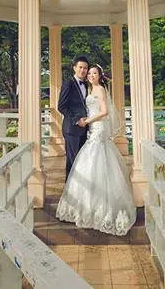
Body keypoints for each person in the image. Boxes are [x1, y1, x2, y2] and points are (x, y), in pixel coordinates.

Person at [55, 64, 136, 236]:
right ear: (77, 69)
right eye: (88, 72)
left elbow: (105, 111)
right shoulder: (90, 89)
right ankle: (84, 205)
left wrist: (88, 121)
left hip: (97, 128)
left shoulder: (99, 90)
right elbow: (64, 106)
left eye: (94, 73)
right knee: (88, 161)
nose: (90, 75)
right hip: (89, 128)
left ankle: (101, 208)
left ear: (100, 75)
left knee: (96, 160)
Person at [57, 56, 90, 178]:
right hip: (72, 129)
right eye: (80, 67)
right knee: (72, 161)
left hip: (85, 128)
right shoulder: (68, 83)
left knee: (82, 161)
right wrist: (76, 120)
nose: (83, 70)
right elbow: (61, 106)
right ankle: (68, 191)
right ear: (74, 68)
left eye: (85, 68)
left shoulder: (87, 85)